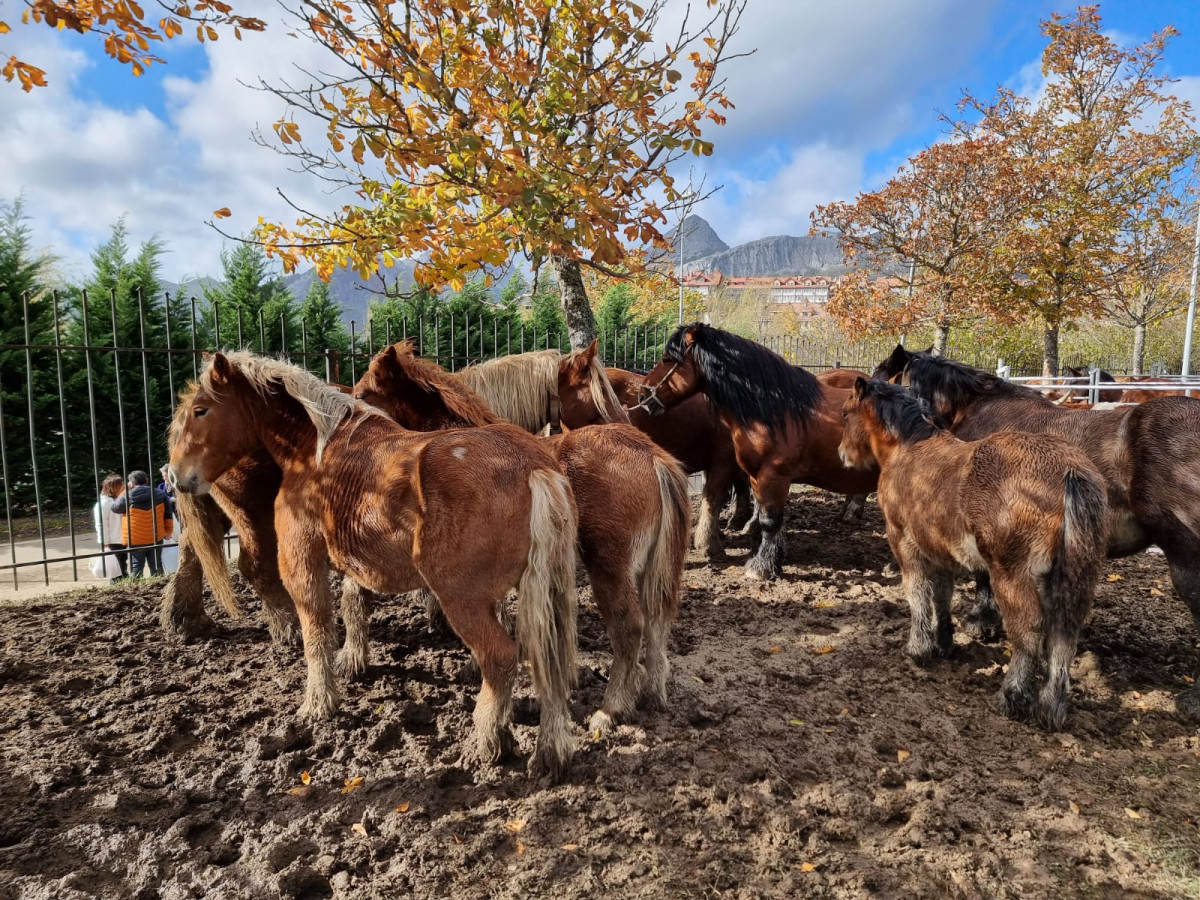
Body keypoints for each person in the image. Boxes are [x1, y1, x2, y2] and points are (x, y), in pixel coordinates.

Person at [112, 469, 174, 578]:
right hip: (156, 536)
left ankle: (136, 588)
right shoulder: (159, 494)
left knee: (137, 566)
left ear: (131, 482)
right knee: (156, 565)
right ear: (146, 480)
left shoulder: (127, 495)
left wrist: (125, 491)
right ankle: (160, 586)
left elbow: (115, 508)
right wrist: (168, 531)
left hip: (135, 538)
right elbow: (168, 515)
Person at [92, 473, 128, 582]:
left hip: (121, 538)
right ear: (114, 487)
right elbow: (101, 524)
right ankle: (118, 585)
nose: (124, 487)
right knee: (116, 566)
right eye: (121, 485)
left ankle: (123, 582)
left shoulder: (117, 501)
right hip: (113, 540)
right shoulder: (104, 504)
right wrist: (104, 541)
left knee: (122, 563)